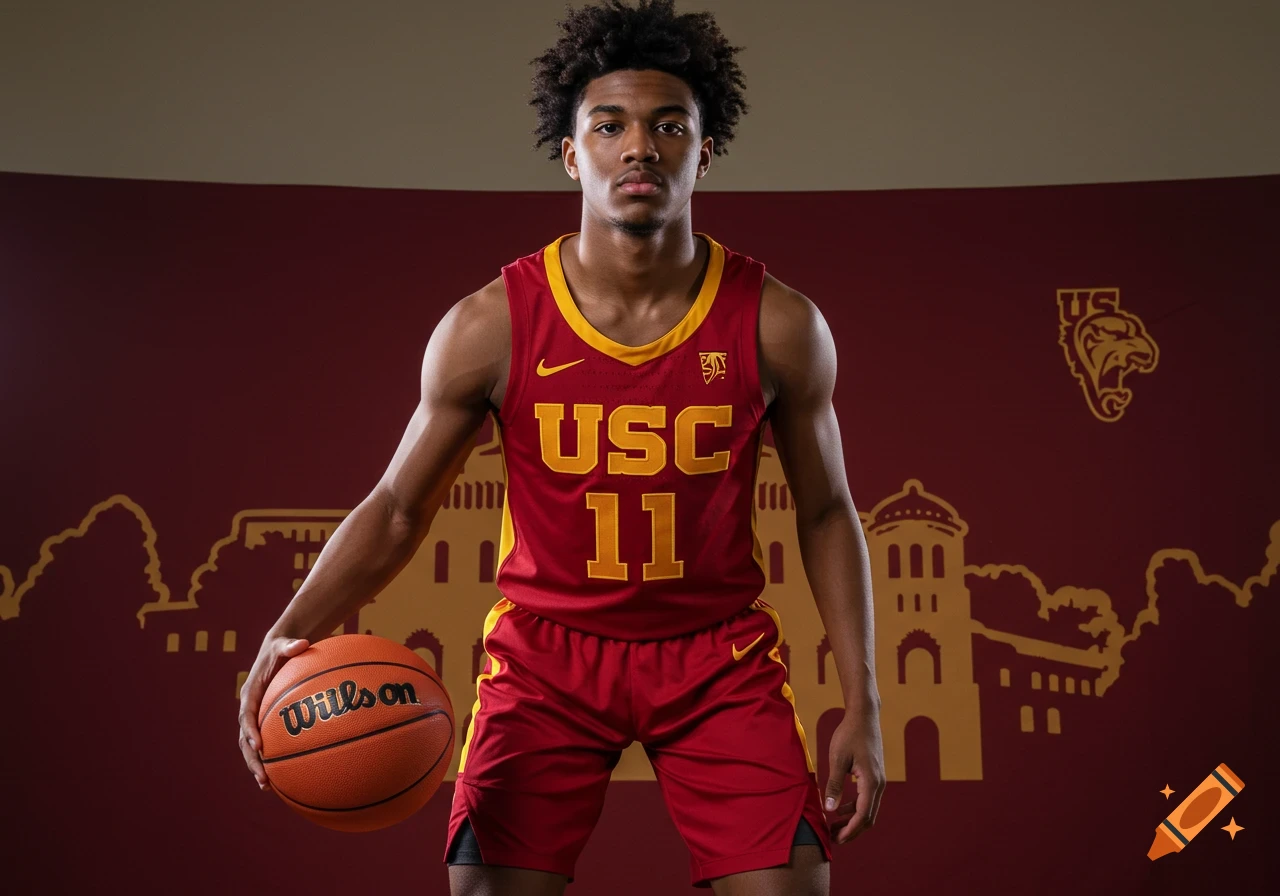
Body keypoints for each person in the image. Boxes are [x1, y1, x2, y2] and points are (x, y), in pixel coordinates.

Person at [237, 1, 884, 893]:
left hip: (714, 654)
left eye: (669, 127)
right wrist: (290, 630)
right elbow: (395, 508)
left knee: (790, 888)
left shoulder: (777, 323)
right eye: (610, 126)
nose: (640, 148)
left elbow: (824, 510)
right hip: (547, 656)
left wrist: (865, 701)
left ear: (705, 150)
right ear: (573, 152)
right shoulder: (490, 325)